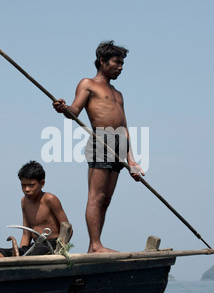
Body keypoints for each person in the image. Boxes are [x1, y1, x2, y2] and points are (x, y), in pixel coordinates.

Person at [53, 40, 145, 253]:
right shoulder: (88, 83)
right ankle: (95, 245)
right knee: (96, 196)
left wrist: (132, 160)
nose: (121, 67)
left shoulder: (118, 93)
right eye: (117, 62)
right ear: (102, 61)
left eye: (123, 63)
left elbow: (124, 127)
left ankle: (95, 245)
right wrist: (62, 108)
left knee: (106, 199)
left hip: (119, 143)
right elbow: (74, 111)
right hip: (101, 140)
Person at [0, 161, 72, 258]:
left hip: (50, 246)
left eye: (31, 185)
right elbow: (26, 234)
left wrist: (59, 252)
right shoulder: (24, 201)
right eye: (23, 185)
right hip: (34, 247)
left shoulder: (50, 199)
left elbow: (68, 229)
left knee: (29, 257)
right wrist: (19, 255)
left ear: (42, 183)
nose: (27, 189)